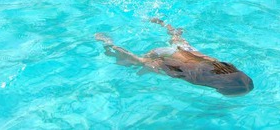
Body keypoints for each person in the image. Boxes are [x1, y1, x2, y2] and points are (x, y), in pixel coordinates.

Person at [95, 18, 254, 96]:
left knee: (181, 44)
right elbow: (172, 68)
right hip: (163, 55)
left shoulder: (219, 65)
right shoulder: (198, 79)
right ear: (220, 87)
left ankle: (170, 30)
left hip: (182, 50)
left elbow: (197, 54)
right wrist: (154, 64)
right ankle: (108, 44)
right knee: (139, 63)